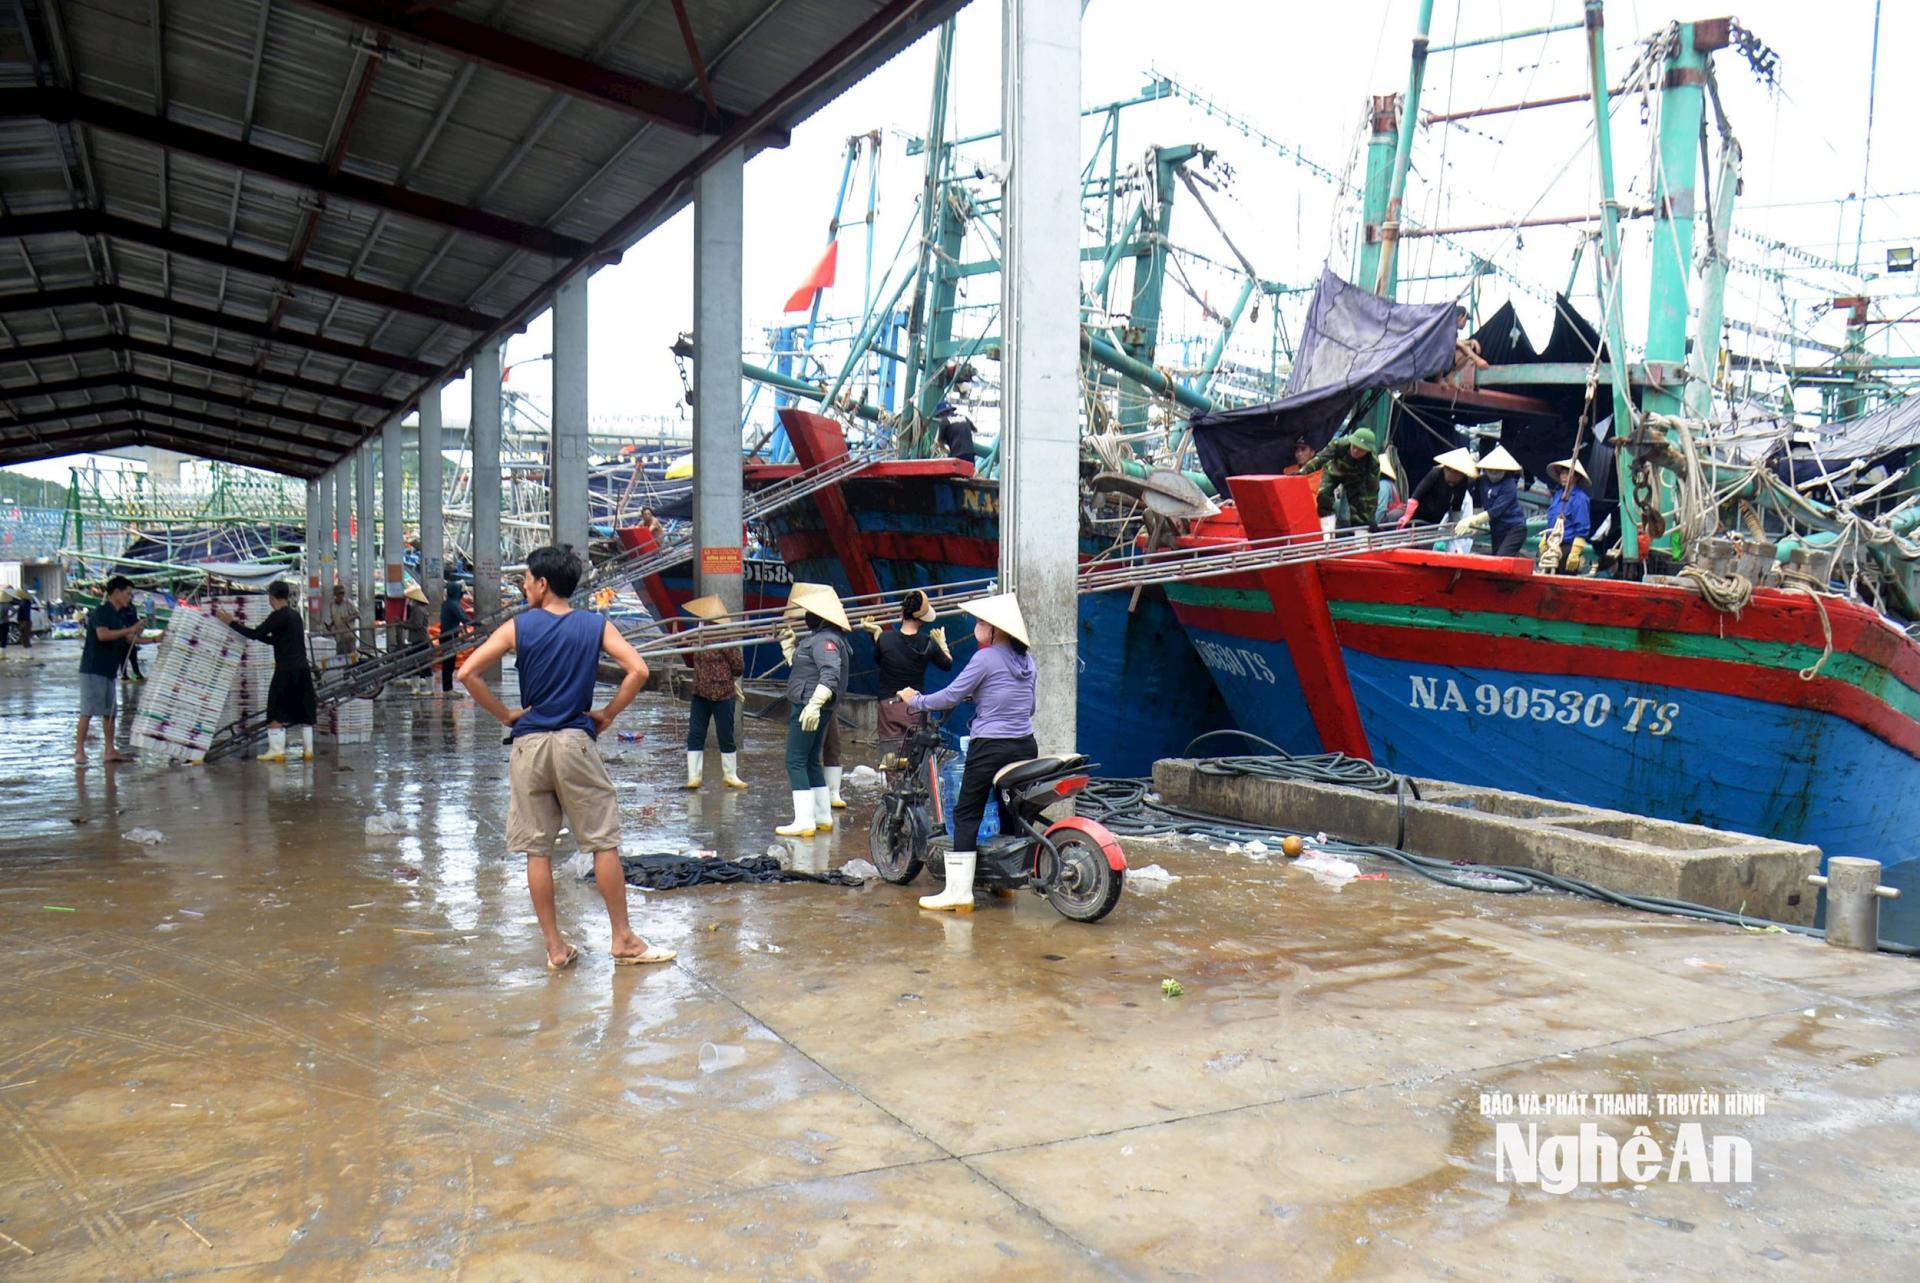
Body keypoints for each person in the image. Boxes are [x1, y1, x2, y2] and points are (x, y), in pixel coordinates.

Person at [457, 545, 672, 970]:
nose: (524, 587)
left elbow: (467, 673)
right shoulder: (594, 625)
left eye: (526, 580)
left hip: (529, 745)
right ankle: (623, 939)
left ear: (543, 584)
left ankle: (555, 948)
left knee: (537, 850)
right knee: (602, 842)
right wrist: (608, 714)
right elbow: (639, 670)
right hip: (576, 742)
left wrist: (506, 715)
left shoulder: (518, 626)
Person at [898, 593, 1035, 913]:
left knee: (966, 812)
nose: (977, 627)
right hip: (1026, 744)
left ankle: (959, 892)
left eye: (981, 622)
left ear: (995, 629)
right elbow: (1030, 706)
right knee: (1009, 808)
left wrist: (915, 700)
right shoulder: (1027, 661)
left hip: (991, 746)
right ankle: (1003, 883)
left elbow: (951, 696)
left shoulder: (985, 659)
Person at [774, 582, 850, 839]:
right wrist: (789, 648)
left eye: (810, 613)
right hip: (815, 705)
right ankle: (822, 816)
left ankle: (804, 821)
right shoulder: (826, 638)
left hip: (809, 706)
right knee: (811, 760)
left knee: (794, 761)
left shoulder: (825, 641)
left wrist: (814, 705)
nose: (806, 617)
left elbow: (829, 674)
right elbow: (806, 668)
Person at [215, 581, 318, 762]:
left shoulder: (278, 616)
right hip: (302, 668)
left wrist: (231, 623)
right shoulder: (295, 616)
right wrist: (261, 636)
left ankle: (277, 751)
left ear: (272, 597)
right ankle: (308, 750)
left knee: (275, 708)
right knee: (305, 708)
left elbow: (255, 634)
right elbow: (276, 640)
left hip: (285, 669)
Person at [867, 588, 953, 749]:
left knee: (891, 754)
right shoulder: (928, 643)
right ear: (922, 619)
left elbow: (879, 660)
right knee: (916, 753)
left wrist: (877, 633)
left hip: (889, 705)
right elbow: (947, 665)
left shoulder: (885, 638)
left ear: (903, 612)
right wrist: (943, 644)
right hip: (915, 705)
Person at [679, 595, 747, 791]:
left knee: (725, 734)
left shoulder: (725, 639)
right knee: (695, 733)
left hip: (723, 694)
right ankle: (694, 776)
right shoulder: (697, 636)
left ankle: (730, 775)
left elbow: (738, 666)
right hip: (700, 693)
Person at [75, 576, 145, 765]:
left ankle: (109, 750)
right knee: (88, 711)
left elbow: (129, 639)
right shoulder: (102, 611)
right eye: (128, 593)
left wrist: (156, 639)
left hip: (109, 670)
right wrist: (130, 629)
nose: (130, 597)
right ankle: (79, 751)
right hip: (93, 668)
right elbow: (103, 635)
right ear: (116, 592)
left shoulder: (119, 614)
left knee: (110, 713)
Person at [1300, 427, 1382, 533]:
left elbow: (1372, 491)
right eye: (1354, 447)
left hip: (1355, 479)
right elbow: (1320, 459)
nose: (1356, 451)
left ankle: (1361, 536)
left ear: (1367, 451)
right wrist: (1302, 472)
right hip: (1334, 473)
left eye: (1361, 450)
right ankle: (1327, 530)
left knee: (1360, 510)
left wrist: (1371, 518)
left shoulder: (1373, 462)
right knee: (1324, 494)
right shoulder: (1339, 444)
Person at [1457, 445, 1527, 557]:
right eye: (1490, 470)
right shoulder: (1483, 480)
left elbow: (1496, 511)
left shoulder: (1509, 485)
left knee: (1502, 557)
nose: (1493, 473)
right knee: (1496, 557)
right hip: (1497, 529)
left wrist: (1473, 521)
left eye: (1497, 471)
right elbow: (1475, 496)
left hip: (1514, 528)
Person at [1397, 447, 1480, 529]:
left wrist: (1456, 526)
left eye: (1458, 473)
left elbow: (1456, 508)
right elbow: (1416, 496)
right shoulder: (1436, 473)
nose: (1450, 473)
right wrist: (1407, 516)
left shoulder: (1462, 483)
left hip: (1435, 521)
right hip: (1417, 515)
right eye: (1448, 469)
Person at [1541, 457, 1594, 574]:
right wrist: (1545, 538)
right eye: (1562, 473)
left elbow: (1582, 526)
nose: (1563, 476)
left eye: (1567, 473)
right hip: (1552, 546)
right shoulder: (1558, 495)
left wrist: (1575, 552)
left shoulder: (1580, 498)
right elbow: (1552, 519)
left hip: (1568, 547)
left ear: (1576, 477)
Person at [438, 580, 471, 694]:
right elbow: (463, 618)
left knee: (448, 663)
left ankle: (448, 688)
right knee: (449, 663)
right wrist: (478, 623)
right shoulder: (453, 605)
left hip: (445, 635)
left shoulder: (447, 603)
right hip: (449, 637)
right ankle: (448, 689)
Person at [935, 402, 976, 468]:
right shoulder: (964, 417)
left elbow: (939, 442)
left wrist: (945, 450)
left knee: (954, 473)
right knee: (969, 473)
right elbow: (975, 430)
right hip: (970, 454)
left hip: (957, 455)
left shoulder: (944, 421)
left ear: (941, 413)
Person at [118, 593, 146, 680]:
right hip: (123, 635)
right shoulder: (121, 607)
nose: (130, 598)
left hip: (132, 634)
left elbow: (134, 619)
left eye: (131, 596)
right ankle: (124, 674)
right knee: (123, 656)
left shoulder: (132, 608)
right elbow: (120, 620)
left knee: (133, 655)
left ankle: (136, 673)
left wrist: (139, 626)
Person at [329, 584, 360, 660]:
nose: (341, 596)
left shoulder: (348, 603)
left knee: (351, 658)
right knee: (340, 659)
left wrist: (349, 618)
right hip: (339, 637)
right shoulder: (332, 605)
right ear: (335, 595)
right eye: (339, 594)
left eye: (342, 593)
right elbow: (334, 619)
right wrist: (330, 625)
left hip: (349, 636)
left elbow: (358, 615)